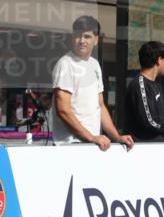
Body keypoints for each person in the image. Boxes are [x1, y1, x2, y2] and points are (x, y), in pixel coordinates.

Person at [50, 15, 134, 151]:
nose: (82, 41)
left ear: (96, 40)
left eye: (87, 36)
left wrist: (117, 137)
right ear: (72, 38)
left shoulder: (94, 65)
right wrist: (92, 137)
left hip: (91, 144)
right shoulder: (65, 64)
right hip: (70, 145)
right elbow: (63, 110)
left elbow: (99, 106)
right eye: (78, 36)